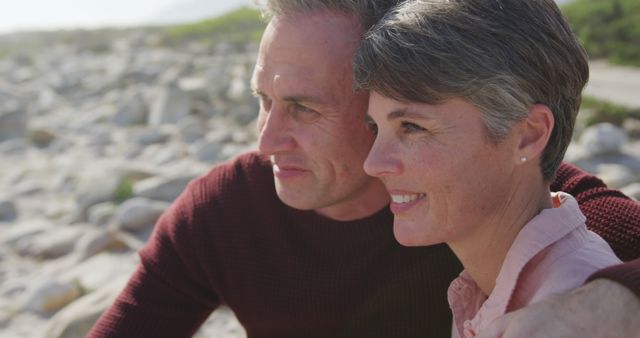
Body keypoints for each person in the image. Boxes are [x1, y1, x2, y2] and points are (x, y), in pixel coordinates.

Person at [88, 1, 640, 337]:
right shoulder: (226, 211)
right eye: (262, 100)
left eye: (305, 107)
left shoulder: (467, 189)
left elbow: (575, 226)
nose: (266, 142)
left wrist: (610, 302)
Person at [353, 1, 628, 337]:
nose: (373, 163)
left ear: (529, 135)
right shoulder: (488, 286)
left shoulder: (572, 319)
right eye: (375, 127)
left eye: (412, 127)